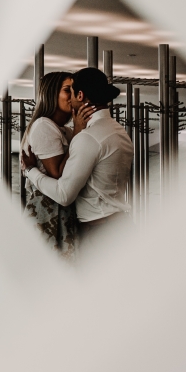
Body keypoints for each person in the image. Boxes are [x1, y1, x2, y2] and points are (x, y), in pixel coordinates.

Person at [21, 67, 134, 248]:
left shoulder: (87, 138)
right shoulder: (118, 131)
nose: (70, 97)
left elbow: (64, 194)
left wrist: (30, 171)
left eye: (71, 91)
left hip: (100, 233)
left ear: (80, 96)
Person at [21, 71, 95, 256]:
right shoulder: (43, 125)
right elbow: (59, 175)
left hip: (62, 209)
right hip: (47, 212)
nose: (72, 95)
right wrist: (78, 131)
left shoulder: (65, 131)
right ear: (51, 94)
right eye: (66, 90)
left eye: (74, 89)